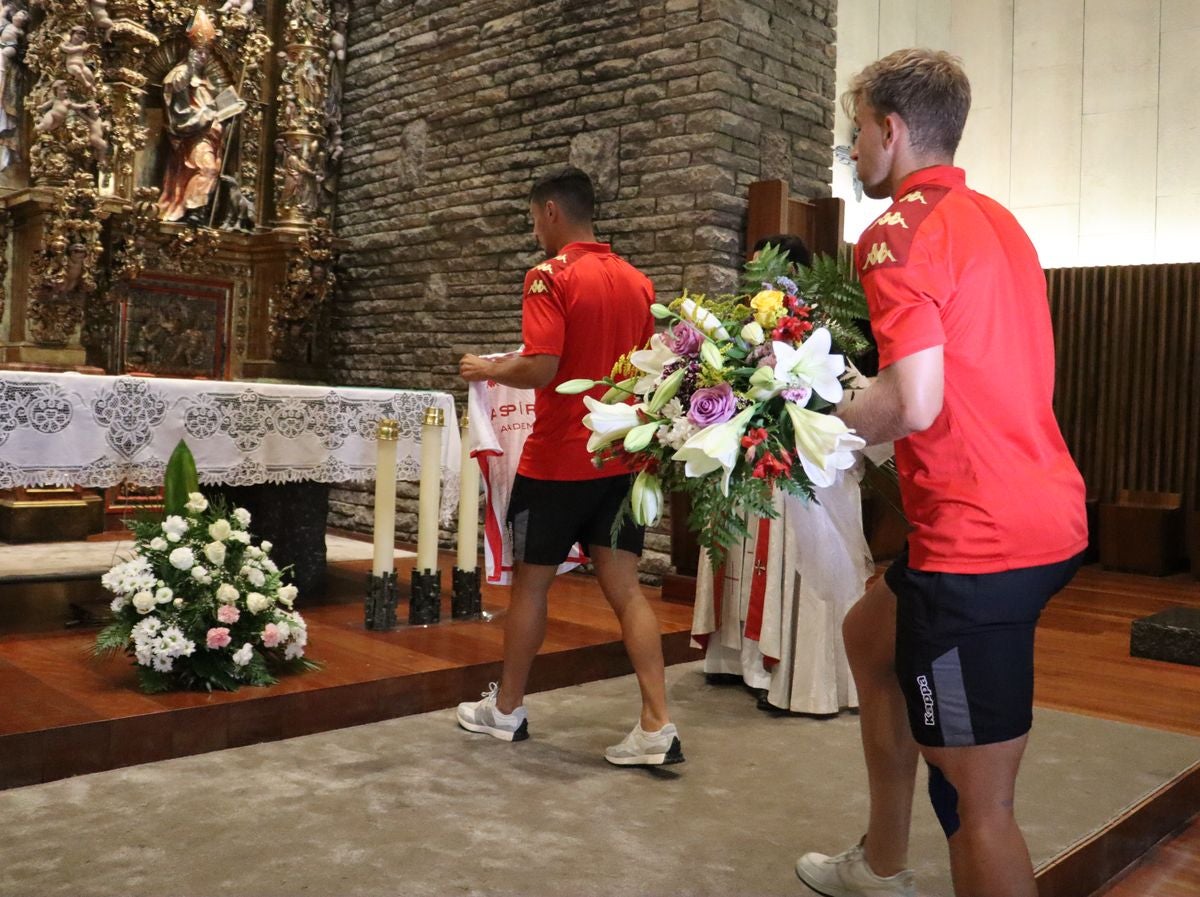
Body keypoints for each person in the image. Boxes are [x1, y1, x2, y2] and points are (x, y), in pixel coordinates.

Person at [794, 49, 1087, 897]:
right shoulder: (999, 221)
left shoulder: (894, 232)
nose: (853, 149)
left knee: (973, 800)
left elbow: (912, 401)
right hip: (1044, 509)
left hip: (977, 546)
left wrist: (812, 421)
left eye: (856, 131)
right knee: (870, 636)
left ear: (890, 130)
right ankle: (881, 863)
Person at [456, 167, 683, 767]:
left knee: (531, 586)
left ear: (552, 210)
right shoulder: (637, 281)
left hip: (557, 461)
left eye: (535, 217)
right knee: (626, 590)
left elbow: (542, 366)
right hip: (621, 455)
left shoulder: (547, 276)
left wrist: (487, 368)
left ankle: (507, 710)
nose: (535, 229)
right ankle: (656, 724)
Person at [692, 233, 873, 718]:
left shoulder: (827, 332)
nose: (755, 284)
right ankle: (738, 662)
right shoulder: (748, 333)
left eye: (764, 271)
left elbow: (849, 393)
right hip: (757, 462)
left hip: (804, 470)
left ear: (792, 278)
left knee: (802, 569)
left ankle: (804, 680)